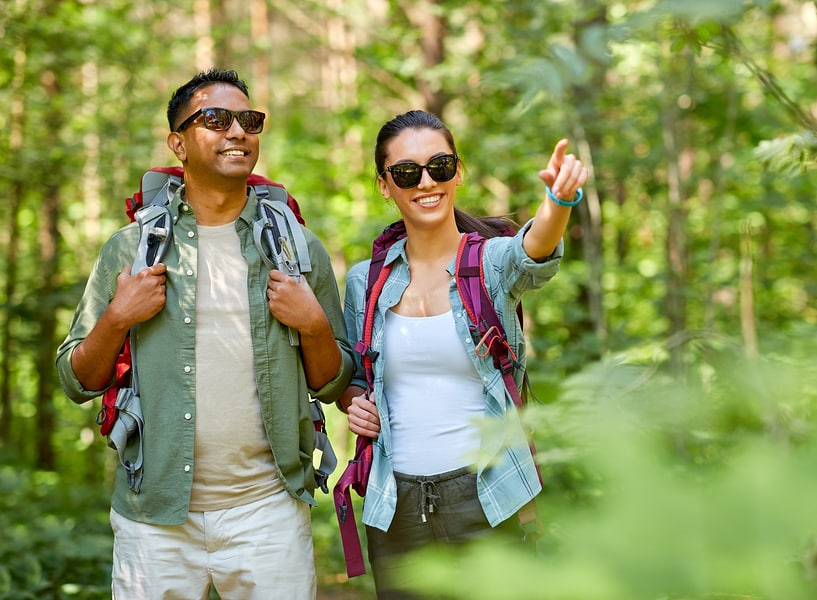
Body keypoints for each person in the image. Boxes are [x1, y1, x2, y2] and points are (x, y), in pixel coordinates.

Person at [56, 67, 353, 599]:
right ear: (179, 143)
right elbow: (76, 380)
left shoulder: (299, 250)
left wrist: (313, 325)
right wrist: (118, 317)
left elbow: (332, 384)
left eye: (250, 120)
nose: (238, 131)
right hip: (156, 519)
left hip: (269, 513)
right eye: (216, 119)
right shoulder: (129, 249)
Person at [338, 109, 588, 598]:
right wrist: (354, 402)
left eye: (440, 166)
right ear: (385, 185)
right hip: (395, 506)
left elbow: (532, 251)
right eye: (407, 172)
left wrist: (558, 201)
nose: (426, 181)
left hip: (488, 495)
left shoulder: (488, 263)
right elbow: (356, 376)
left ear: (458, 171)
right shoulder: (364, 282)